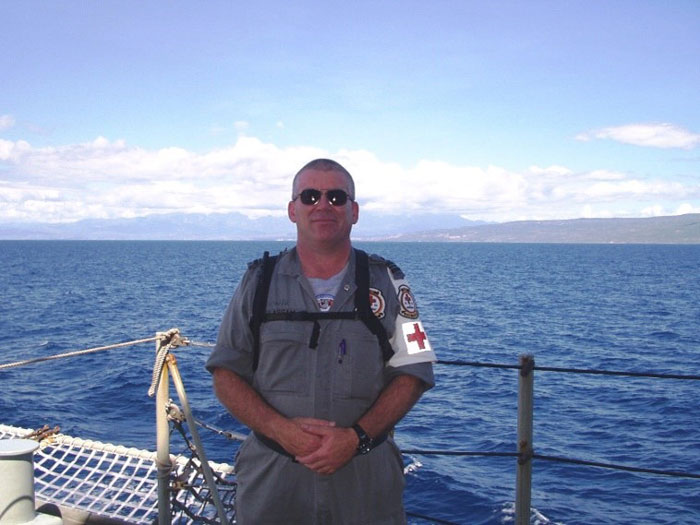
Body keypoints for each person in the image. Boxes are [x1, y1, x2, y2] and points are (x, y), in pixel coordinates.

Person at [206, 158, 436, 524]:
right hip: (272, 484)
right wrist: (280, 430)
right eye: (311, 196)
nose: (323, 205)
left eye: (336, 197)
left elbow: (415, 369)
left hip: (365, 484)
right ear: (292, 210)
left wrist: (356, 438)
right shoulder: (258, 282)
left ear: (354, 211)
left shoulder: (390, 282)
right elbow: (225, 373)